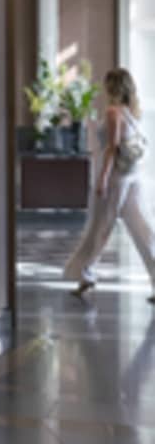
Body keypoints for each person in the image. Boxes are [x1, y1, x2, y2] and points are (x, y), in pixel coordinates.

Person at [64, 68, 155, 304]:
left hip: (116, 177)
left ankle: (86, 273)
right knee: (142, 228)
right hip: (132, 176)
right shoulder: (133, 112)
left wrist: (103, 177)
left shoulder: (113, 112)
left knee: (100, 225)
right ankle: (88, 273)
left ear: (112, 87)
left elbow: (112, 148)